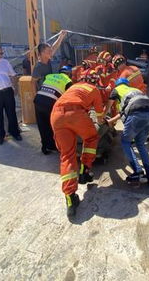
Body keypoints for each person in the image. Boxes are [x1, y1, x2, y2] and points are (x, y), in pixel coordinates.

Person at [50, 69, 104, 217]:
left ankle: (70, 198)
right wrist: (101, 121)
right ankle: (84, 169)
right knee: (91, 137)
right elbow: (99, 116)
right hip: (76, 114)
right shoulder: (93, 89)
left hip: (56, 114)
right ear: (94, 81)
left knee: (67, 156)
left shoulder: (73, 87)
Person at [106, 78, 149, 188]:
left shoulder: (117, 89)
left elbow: (109, 105)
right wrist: (111, 121)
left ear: (118, 84)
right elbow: (123, 112)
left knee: (126, 142)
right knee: (140, 144)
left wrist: (103, 117)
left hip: (136, 113)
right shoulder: (135, 90)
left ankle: (138, 171)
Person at [34, 66, 73, 155]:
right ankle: (54, 146)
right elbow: (68, 98)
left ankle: (44, 147)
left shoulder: (50, 76)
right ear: (69, 74)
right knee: (53, 125)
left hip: (38, 100)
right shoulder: (68, 81)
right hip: (49, 103)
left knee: (42, 125)